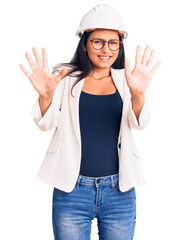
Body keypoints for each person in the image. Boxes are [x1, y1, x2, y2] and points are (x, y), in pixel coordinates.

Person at [19, 4, 160, 240]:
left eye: (113, 42)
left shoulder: (129, 80)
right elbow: (45, 124)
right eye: (98, 42)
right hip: (72, 191)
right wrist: (45, 95)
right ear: (85, 44)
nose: (106, 49)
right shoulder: (65, 78)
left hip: (120, 192)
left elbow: (140, 123)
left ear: (120, 45)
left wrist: (138, 94)